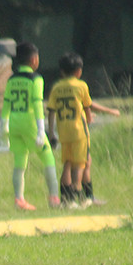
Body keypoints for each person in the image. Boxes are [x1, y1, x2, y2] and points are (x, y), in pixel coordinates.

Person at [45, 52, 120, 208]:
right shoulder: (81, 86)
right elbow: (88, 106)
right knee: (80, 164)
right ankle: (77, 198)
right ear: (78, 71)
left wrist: (52, 132)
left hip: (64, 131)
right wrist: (109, 111)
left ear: (61, 71)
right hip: (79, 131)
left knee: (68, 163)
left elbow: (51, 110)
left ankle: (70, 199)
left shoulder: (57, 87)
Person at [0, 42, 61, 210]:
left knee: (19, 161)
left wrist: (3, 125)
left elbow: (6, 103)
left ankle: (19, 199)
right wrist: (42, 130)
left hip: (14, 123)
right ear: (34, 59)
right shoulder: (36, 79)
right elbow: (37, 104)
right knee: (47, 157)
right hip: (30, 123)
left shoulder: (12, 79)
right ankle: (54, 197)